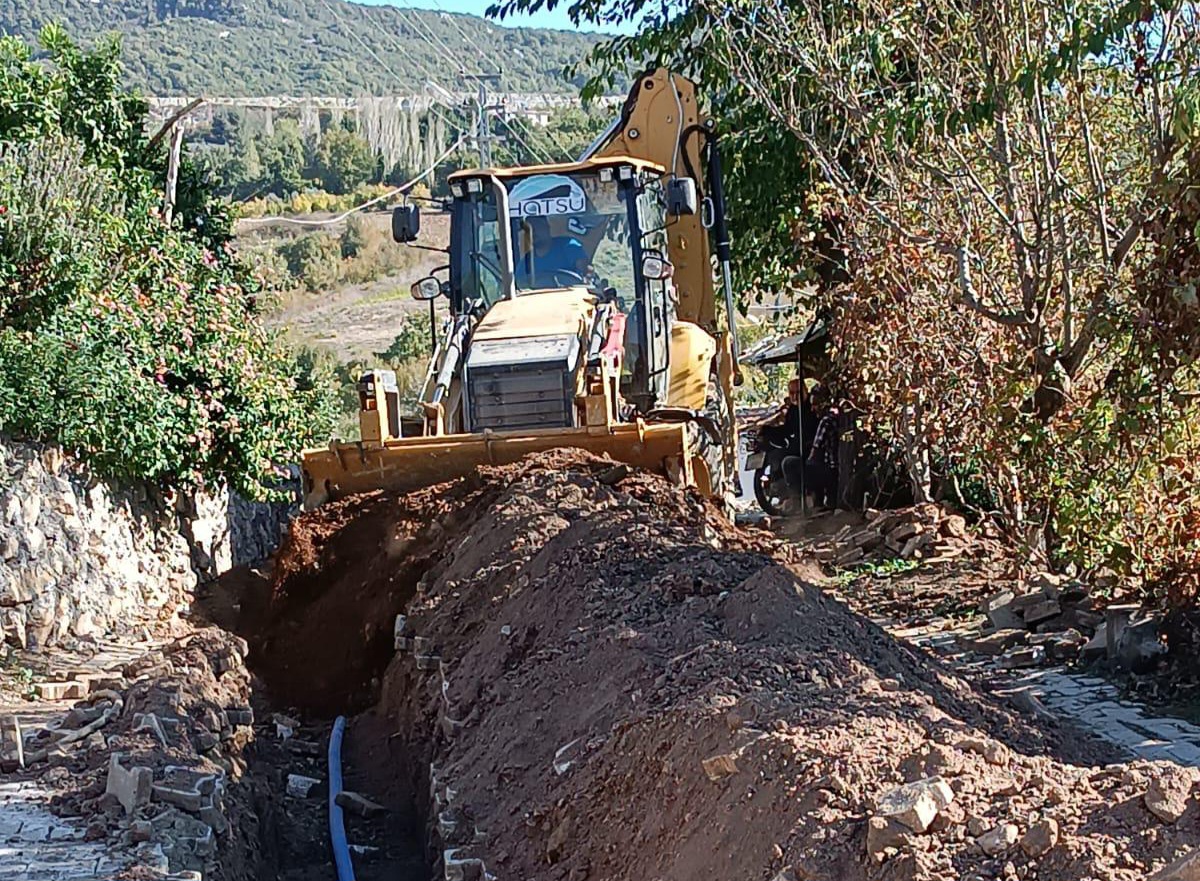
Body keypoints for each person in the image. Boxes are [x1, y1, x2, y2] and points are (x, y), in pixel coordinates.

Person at [758, 377, 815, 497]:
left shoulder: (811, 408)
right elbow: (787, 429)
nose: (795, 396)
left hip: (808, 446)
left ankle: (795, 495)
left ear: (805, 391)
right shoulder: (793, 409)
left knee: (781, 457)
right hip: (795, 443)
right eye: (792, 393)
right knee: (774, 454)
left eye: (798, 393)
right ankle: (779, 490)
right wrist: (768, 430)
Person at [515, 216, 588, 288]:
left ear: (547, 227)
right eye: (528, 230)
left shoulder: (569, 246)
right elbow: (518, 286)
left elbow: (583, 274)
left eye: (537, 226)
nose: (532, 232)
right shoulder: (525, 263)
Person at [805, 386, 840, 510]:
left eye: (815, 404)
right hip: (836, 468)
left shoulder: (826, 421)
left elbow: (816, 448)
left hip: (831, 468)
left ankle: (816, 503)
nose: (813, 409)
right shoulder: (837, 416)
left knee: (799, 467)